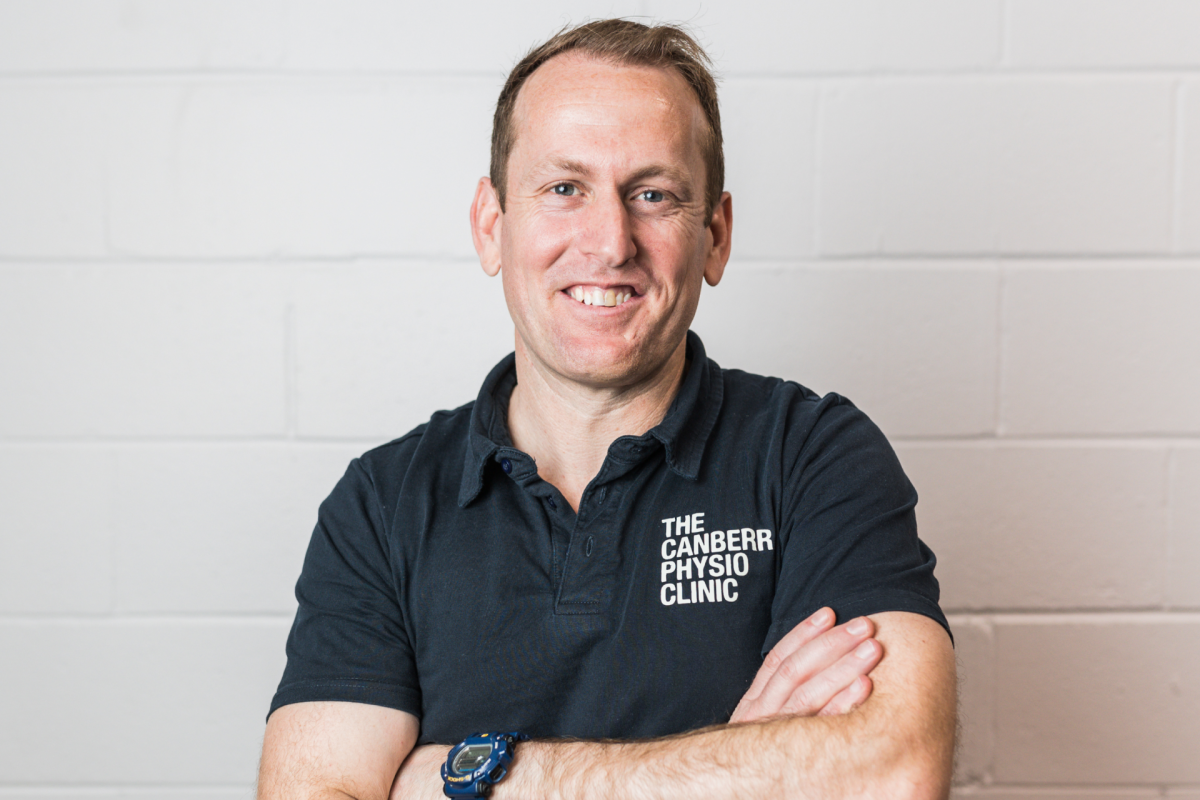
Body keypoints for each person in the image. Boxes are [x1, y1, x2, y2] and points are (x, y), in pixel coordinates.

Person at [258, 18, 956, 800]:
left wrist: (474, 777)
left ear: (715, 236)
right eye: (565, 189)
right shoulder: (383, 505)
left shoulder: (813, 457)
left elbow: (892, 772)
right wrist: (738, 767)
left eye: (652, 194)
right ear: (493, 227)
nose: (610, 241)